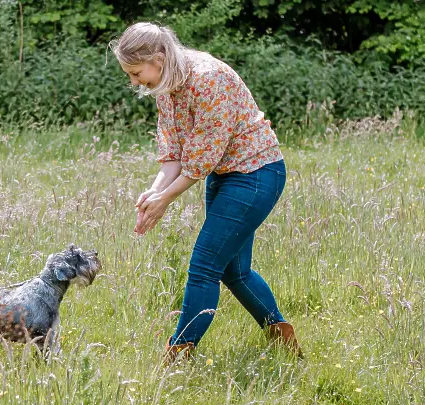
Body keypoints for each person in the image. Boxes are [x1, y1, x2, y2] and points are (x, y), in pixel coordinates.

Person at [110, 22, 302, 362]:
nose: (135, 82)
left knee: (204, 267)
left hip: (257, 172)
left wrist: (165, 200)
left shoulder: (208, 78)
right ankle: (282, 338)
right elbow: (174, 155)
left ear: (158, 58)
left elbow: (200, 161)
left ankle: (177, 356)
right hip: (225, 174)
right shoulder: (167, 87)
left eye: (137, 73)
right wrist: (154, 192)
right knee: (234, 271)